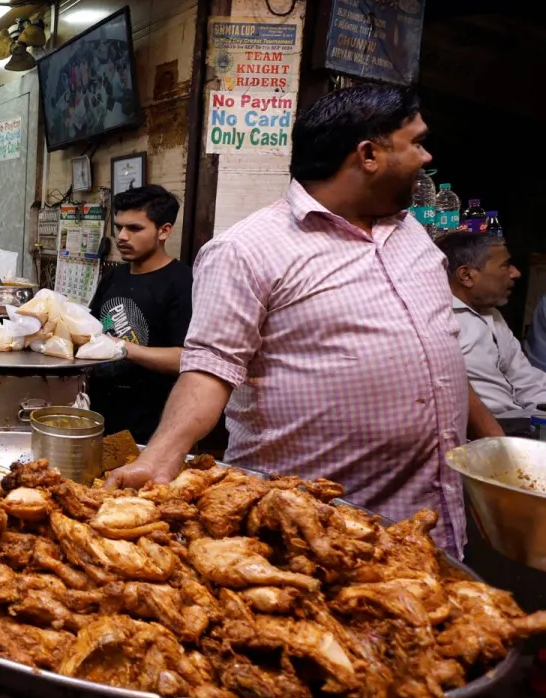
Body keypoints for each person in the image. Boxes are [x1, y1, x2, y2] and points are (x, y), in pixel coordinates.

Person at [111, 85, 502, 556]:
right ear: (368, 154)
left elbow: (438, 354)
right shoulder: (249, 249)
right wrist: (159, 457)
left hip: (428, 528)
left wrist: (498, 450)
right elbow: (210, 368)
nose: (426, 156)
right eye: (415, 142)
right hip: (306, 539)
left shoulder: (412, 233)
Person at [86, 185, 193, 444]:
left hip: (150, 424)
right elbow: (91, 328)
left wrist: (121, 347)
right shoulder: (115, 276)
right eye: (119, 226)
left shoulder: (183, 283)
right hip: (100, 413)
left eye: (134, 228)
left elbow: (185, 359)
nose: (122, 236)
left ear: (164, 230)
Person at [439, 231, 546, 418]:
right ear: (466, 275)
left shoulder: (492, 315)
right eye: (505, 266)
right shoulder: (441, 322)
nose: (516, 273)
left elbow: (526, 380)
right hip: (486, 435)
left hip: (523, 424)